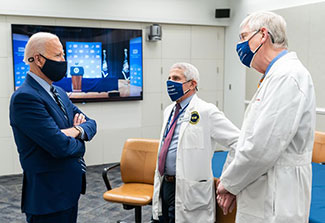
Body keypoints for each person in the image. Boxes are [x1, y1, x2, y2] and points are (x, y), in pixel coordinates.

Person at [216, 11, 316, 223]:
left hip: (277, 197)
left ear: (263, 35)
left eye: (243, 37)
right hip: (264, 190)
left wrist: (229, 183)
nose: (239, 45)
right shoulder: (274, 76)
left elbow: (262, 147)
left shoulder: (288, 76)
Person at [9, 32, 97, 223]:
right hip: (47, 198)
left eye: (63, 55)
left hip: (68, 191)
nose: (63, 60)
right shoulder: (25, 98)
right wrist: (80, 143)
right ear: (39, 60)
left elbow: (91, 123)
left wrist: (75, 131)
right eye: (58, 56)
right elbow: (60, 146)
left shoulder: (60, 92)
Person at [151, 62, 240, 223]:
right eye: (169, 78)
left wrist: (226, 175)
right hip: (166, 183)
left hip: (189, 188)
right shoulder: (169, 110)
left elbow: (238, 141)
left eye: (176, 78)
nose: (170, 83)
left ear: (192, 84)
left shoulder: (207, 111)